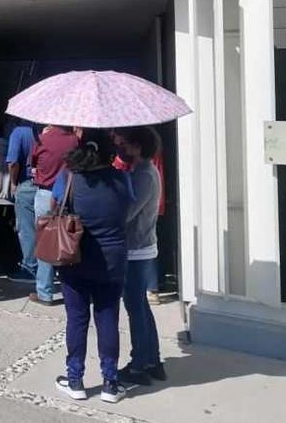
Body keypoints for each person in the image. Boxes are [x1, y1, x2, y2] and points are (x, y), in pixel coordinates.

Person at [51, 129, 133, 404]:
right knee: (108, 317)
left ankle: (75, 379)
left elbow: (55, 206)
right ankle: (110, 382)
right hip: (113, 259)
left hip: (75, 257)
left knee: (77, 319)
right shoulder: (123, 179)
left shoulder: (69, 178)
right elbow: (127, 212)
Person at [113, 127, 167, 386]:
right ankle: (153, 359)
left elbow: (128, 213)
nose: (121, 145)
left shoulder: (144, 175)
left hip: (136, 249)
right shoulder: (142, 171)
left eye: (126, 142)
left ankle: (139, 364)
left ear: (137, 146)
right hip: (140, 247)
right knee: (141, 307)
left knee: (135, 307)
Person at [30, 124, 80, 305]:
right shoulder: (75, 140)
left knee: (44, 242)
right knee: (69, 241)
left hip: (45, 192)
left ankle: (45, 291)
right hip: (69, 193)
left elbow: (33, 161)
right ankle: (71, 289)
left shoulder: (42, 139)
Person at [6, 120, 38, 283]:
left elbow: (13, 162)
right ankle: (47, 268)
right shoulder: (48, 131)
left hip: (26, 183)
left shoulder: (19, 132)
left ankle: (30, 267)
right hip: (48, 186)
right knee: (47, 229)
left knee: (26, 229)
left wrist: (12, 182)